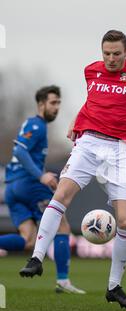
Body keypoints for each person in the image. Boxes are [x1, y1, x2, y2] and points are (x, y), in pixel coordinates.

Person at [19, 30, 126, 308]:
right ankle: (36, 258)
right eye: (106, 53)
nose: (110, 59)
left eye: (116, 54)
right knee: (61, 195)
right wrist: (76, 120)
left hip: (121, 150)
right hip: (88, 143)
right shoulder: (91, 71)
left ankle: (114, 286)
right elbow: (95, 103)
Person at [1, 85, 85, 294]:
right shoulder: (36, 125)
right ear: (41, 104)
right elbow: (19, 151)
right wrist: (42, 175)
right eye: (53, 103)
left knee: (29, 240)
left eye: (58, 103)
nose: (56, 108)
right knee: (62, 225)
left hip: (11, 188)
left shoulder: (35, 126)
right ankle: (63, 281)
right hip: (29, 185)